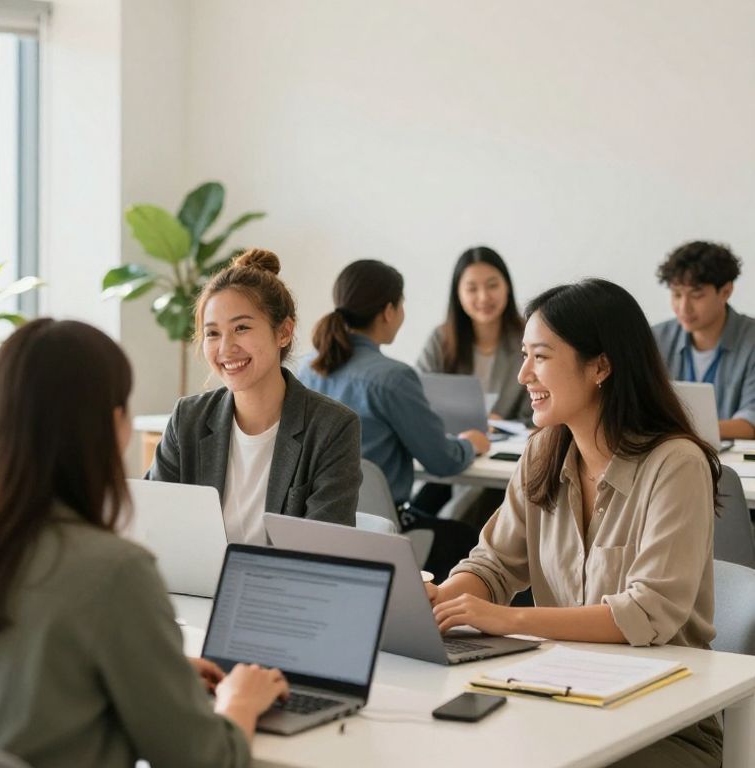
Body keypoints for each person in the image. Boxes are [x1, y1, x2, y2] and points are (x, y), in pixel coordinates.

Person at [0, 319, 290, 767]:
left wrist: (156, 677)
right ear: (115, 424)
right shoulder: (115, 572)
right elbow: (204, 761)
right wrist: (240, 701)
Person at [429, 278, 722, 766]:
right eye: (523, 355)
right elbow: (494, 564)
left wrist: (508, 619)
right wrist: (444, 598)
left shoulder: (676, 464)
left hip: (663, 721)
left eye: (540, 357)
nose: (523, 374)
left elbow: (647, 611)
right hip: (559, 701)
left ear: (601, 366)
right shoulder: (542, 452)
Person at [149, 248, 360, 542]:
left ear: (284, 332)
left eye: (242, 328)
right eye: (212, 333)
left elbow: (323, 551)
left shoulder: (332, 427)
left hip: (281, 587)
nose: (226, 348)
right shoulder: (188, 419)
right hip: (194, 587)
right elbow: (155, 526)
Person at [297, 259, 487, 580]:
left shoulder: (306, 369)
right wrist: (470, 444)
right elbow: (442, 462)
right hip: (382, 531)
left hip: (317, 527)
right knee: (471, 540)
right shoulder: (393, 378)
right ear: (388, 311)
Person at [414, 246, 530, 522]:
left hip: (504, 460)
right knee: (421, 511)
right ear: (458, 293)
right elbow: (417, 396)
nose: (483, 297)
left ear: (507, 288)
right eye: (472, 288)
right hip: (453, 452)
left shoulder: (527, 338)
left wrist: (501, 423)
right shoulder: (441, 340)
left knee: (469, 515)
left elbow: (539, 413)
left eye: (492, 285)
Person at [652, 240, 755, 439]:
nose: (684, 308)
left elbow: (750, 424)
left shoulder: (751, 341)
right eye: (676, 294)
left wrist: (675, 430)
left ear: (726, 291)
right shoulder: (656, 339)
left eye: (696, 295)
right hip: (671, 457)